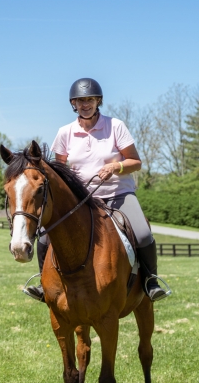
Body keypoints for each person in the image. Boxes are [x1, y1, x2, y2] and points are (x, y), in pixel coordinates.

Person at [24, 78, 171, 303]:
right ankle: (44, 285)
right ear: (73, 103)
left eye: (90, 100)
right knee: (45, 236)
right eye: (80, 100)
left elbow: (136, 162)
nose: (85, 104)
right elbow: (59, 170)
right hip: (82, 200)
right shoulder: (65, 133)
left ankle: (150, 281)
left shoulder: (116, 126)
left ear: (98, 101)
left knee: (142, 233)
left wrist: (116, 166)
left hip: (118, 194)